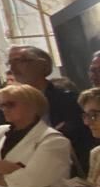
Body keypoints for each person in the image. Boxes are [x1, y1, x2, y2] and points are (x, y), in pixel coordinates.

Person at [8, 44, 94, 174]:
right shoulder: (9, 105)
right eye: (10, 63)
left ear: (43, 66)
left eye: (20, 61)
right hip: (24, 172)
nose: (13, 68)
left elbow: (82, 138)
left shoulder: (69, 100)